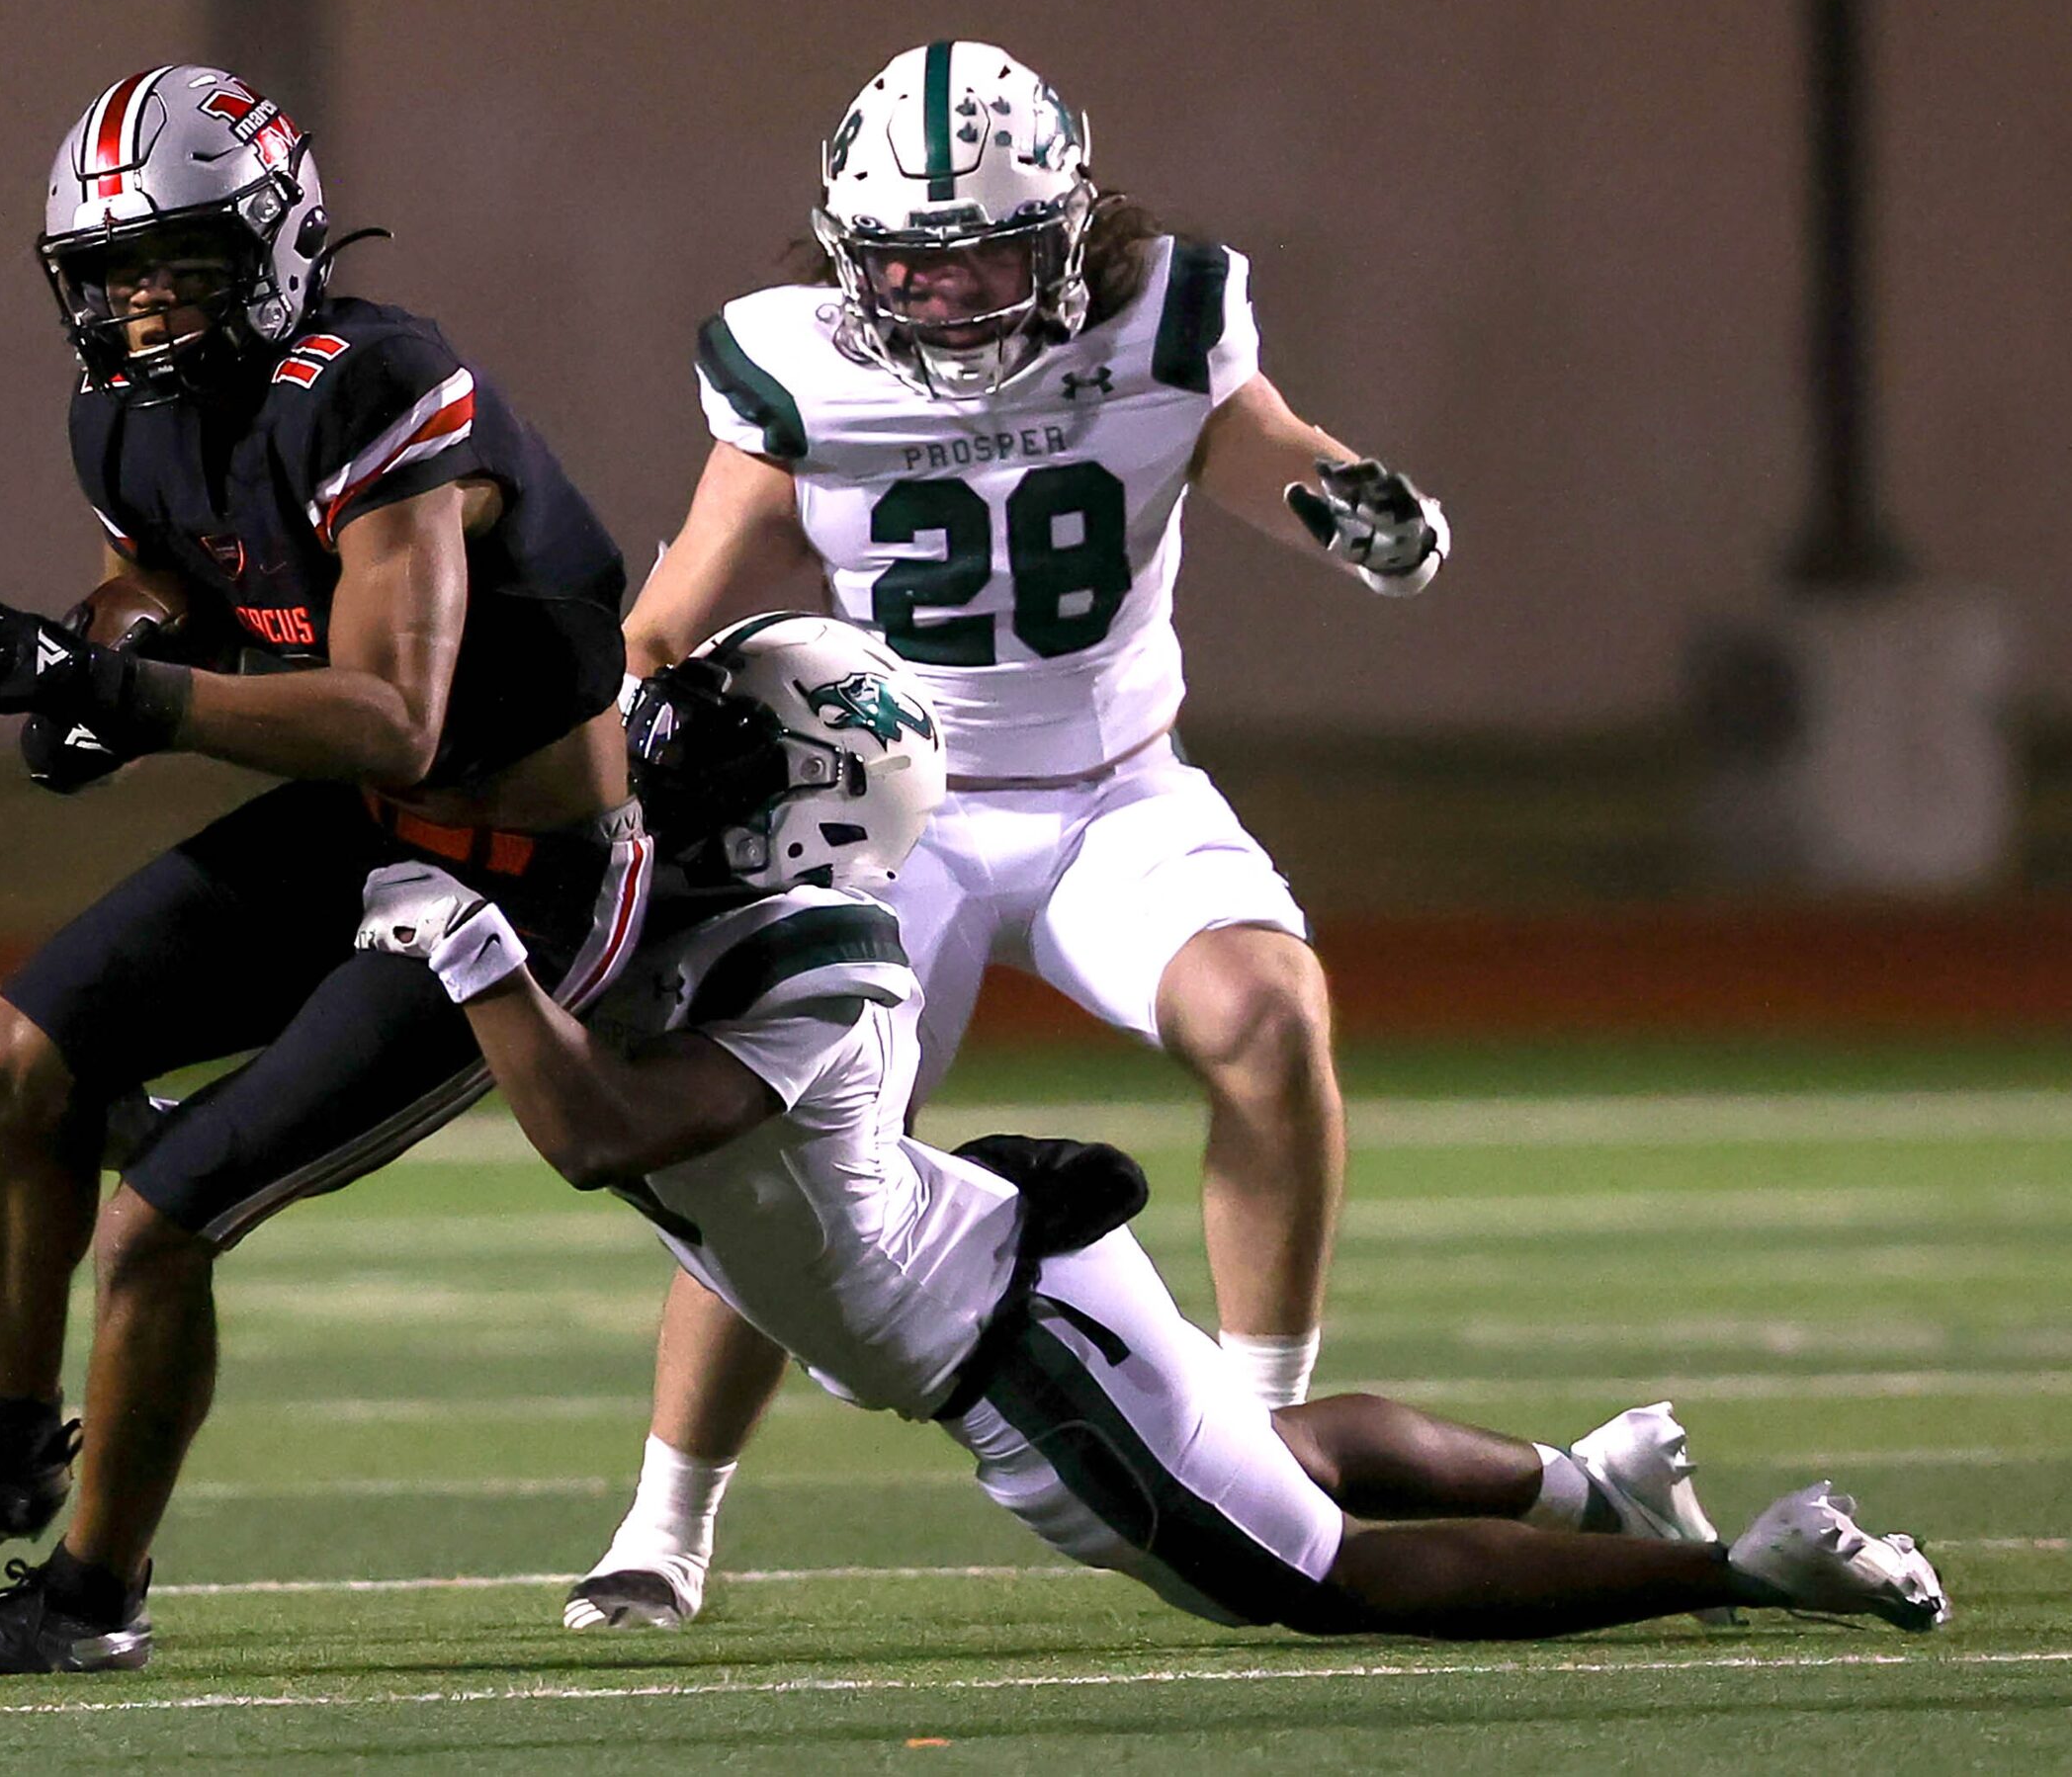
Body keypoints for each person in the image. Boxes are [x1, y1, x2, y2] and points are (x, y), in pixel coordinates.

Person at [361, 614, 1951, 1647]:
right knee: (1269, 1463)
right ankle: (1579, 1479)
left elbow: (594, 1128)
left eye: (708, 758)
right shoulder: (740, 898)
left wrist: (475, 944)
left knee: (1319, 1575)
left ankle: (1742, 1564)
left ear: (810, 809)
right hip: (1004, 1271)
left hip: (1017, 1351)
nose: (659, 773)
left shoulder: (827, 955)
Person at [0, 64, 649, 1677]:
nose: (144, 304)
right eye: (113, 272)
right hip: (369, 832)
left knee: (157, 1225)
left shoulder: (376, 382)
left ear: (280, 243)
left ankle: (91, 1598)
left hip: (512, 872)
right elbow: (159, 575)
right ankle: (6, 1437)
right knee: (14, 1064)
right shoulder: (124, 409)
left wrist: (132, 697)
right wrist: (83, 656)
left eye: (182, 261)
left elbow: (391, 713)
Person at [575, 40, 1452, 1628]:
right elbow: (686, 602)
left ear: (1070, 233)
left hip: (1119, 786)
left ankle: (1263, 1429)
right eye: (909, 260)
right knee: (776, 1147)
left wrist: (1340, 501)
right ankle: (666, 1519)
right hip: (887, 814)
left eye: (985, 255)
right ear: (849, 256)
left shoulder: (1162, 319)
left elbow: (1251, 445)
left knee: (1266, 1013)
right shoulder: (795, 367)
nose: (950, 294)